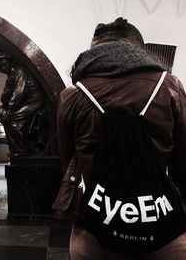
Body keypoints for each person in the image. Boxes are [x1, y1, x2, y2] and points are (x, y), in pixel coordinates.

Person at [53, 18, 186, 259]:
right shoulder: (170, 87)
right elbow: (183, 164)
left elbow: (67, 162)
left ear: (92, 50)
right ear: (141, 50)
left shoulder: (71, 96)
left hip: (95, 230)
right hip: (162, 230)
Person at [0, 53, 46, 157]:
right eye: (1, 67)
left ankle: (22, 150)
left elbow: (18, 93)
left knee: (12, 120)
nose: (3, 68)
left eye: (5, 65)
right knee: (3, 115)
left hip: (33, 102)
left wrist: (10, 108)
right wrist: (6, 105)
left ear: (10, 63)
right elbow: (4, 96)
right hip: (21, 103)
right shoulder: (10, 78)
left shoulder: (19, 72)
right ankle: (15, 147)